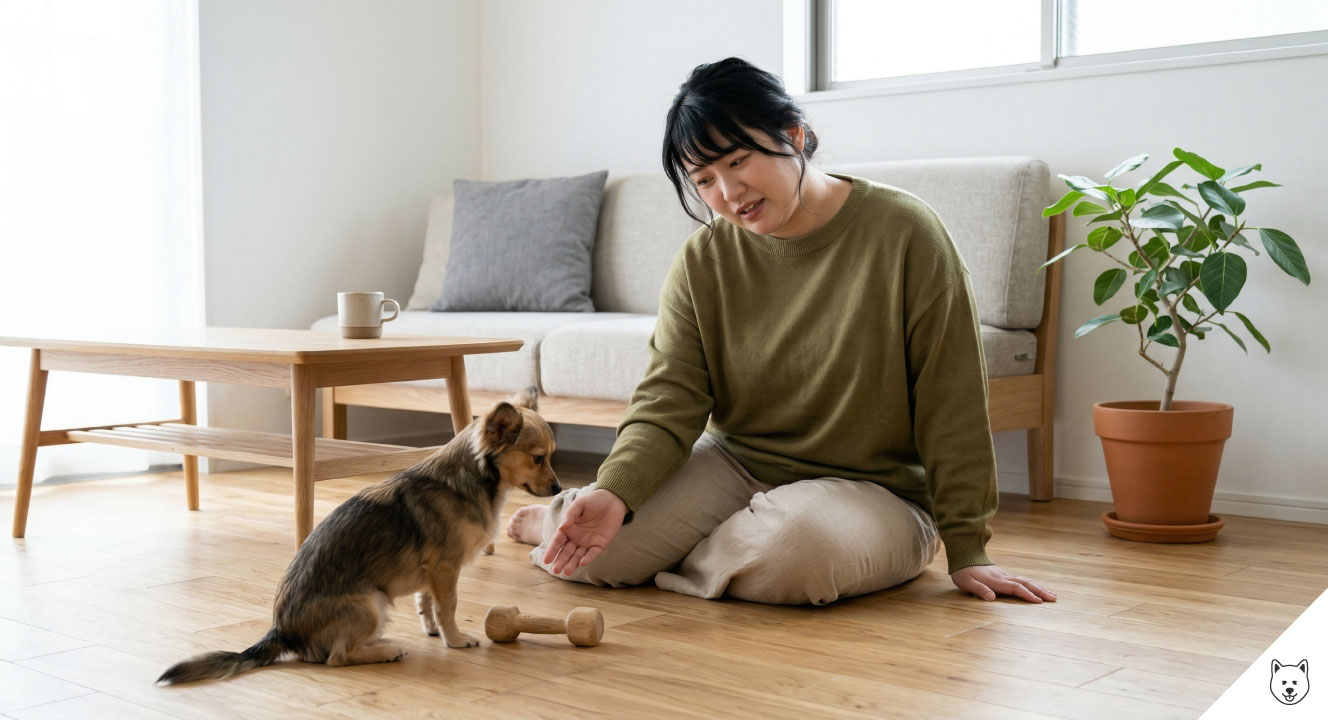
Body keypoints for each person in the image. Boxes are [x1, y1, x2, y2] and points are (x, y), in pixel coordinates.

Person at [507, 57, 1056, 606]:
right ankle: (581, 516)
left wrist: (968, 545)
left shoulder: (906, 232)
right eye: (704, 180)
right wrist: (617, 493)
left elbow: (951, 399)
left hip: (879, 491)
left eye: (738, 160)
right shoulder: (705, 260)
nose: (728, 192)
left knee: (796, 557)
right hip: (735, 462)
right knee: (591, 556)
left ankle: (672, 540)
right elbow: (667, 399)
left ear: (792, 134)